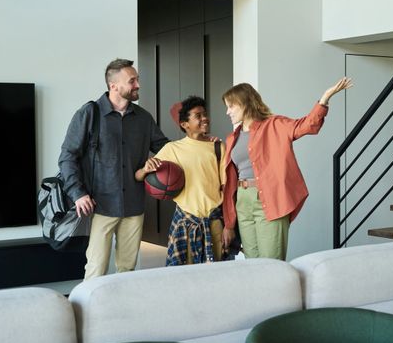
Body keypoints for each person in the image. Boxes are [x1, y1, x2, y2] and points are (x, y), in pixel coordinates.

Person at [59, 58, 168, 280]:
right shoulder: (89, 114)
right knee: (96, 269)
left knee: (127, 271)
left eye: (137, 79)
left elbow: (166, 149)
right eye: (132, 80)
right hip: (100, 206)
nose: (138, 84)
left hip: (134, 206)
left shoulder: (144, 119)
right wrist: (78, 194)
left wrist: (197, 142)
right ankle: (90, 314)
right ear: (114, 86)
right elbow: (67, 156)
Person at [220, 77, 353, 260]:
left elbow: (308, 125)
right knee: (251, 260)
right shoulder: (232, 138)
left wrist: (325, 98)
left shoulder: (275, 125)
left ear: (245, 103)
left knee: (271, 260)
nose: (227, 112)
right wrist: (229, 221)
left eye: (231, 106)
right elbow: (231, 180)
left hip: (268, 197)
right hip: (243, 201)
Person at [135, 96, 226, 265]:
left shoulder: (218, 147)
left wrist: (229, 226)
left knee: (217, 276)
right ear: (185, 124)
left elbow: (225, 187)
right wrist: (145, 169)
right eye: (198, 116)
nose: (205, 118)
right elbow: (139, 176)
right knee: (183, 277)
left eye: (205, 114)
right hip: (185, 222)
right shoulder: (172, 149)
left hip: (214, 223)